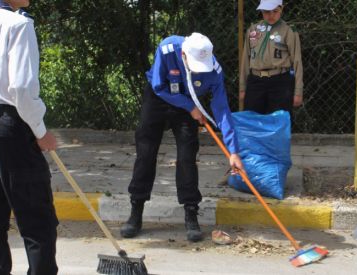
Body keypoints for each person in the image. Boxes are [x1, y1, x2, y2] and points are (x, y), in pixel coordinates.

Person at [121, 33, 244, 242]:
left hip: (188, 103)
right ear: (184, 54)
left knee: (187, 155)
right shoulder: (167, 48)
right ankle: (136, 211)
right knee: (146, 153)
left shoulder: (214, 70)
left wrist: (233, 151)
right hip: (159, 98)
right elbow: (159, 85)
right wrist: (190, 107)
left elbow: (222, 109)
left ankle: (191, 213)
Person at [0, 1, 59, 274]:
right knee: (37, 219)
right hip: (8, 125)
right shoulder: (19, 24)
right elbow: (22, 88)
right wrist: (41, 131)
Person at [239, 0, 303, 118]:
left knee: (278, 122)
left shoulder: (288, 31)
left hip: (280, 82)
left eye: (275, 11)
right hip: (255, 82)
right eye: (266, 12)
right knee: (253, 120)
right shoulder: (253, 30)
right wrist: (242, 87)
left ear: (281, 9)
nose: (271, 15)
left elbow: (297, 61)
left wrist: (298, 91)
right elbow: (245, 60)